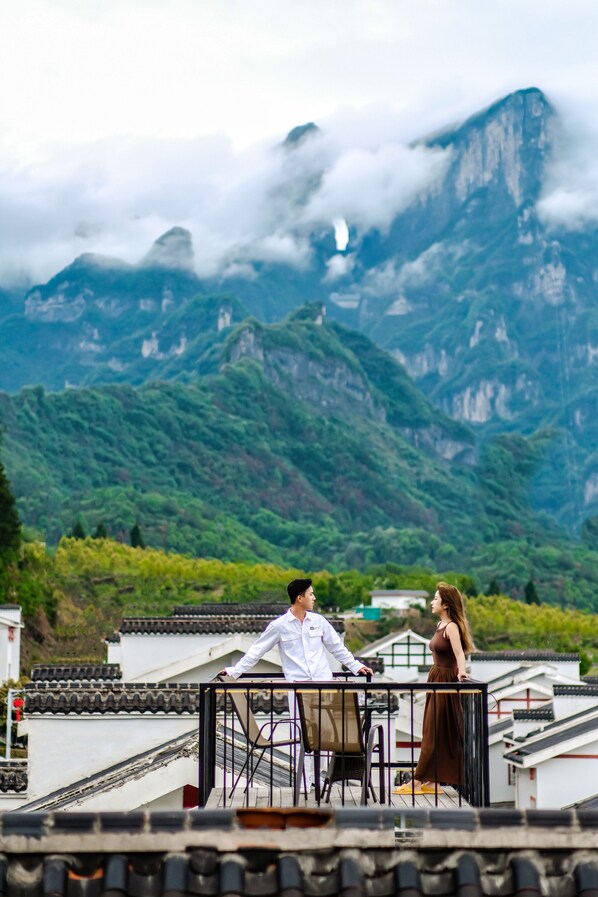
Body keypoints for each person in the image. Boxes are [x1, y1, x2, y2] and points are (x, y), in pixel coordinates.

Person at [394, 581, 474, 796]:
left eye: (436, 599)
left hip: (446, 679)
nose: (432, 602)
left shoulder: (451, 627)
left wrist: (461, 672)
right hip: (436, 677)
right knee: (432, 729)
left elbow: (459, 654)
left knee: (434, 731)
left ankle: (418, 780)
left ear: (446, 605)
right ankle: (433, 781)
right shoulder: (440, 626)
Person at [220, 578, 373, 681]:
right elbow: (256, 651)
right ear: (300, 598)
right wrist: (235, 671)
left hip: (324, 684)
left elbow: (337, 647)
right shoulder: (279, 626)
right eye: (311, 594)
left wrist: (356, 666)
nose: (314, 598)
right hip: (298, 688)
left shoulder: (319, 621)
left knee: (325, 728)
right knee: (302, 728)